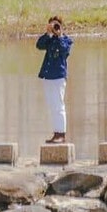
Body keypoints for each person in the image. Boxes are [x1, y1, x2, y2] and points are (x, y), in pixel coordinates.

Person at [36, 16, 72, 144]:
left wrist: (60, 35)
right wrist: (48, 33)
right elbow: (39, 45)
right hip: (47, 76)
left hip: (58, 76)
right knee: (52, 106)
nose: (55, 28)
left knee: (59, 105)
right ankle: (56, 132)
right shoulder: (49, 40)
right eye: (53, 25)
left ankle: (61, 134)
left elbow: (65, 51)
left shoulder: (66, 40)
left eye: (57, 25)